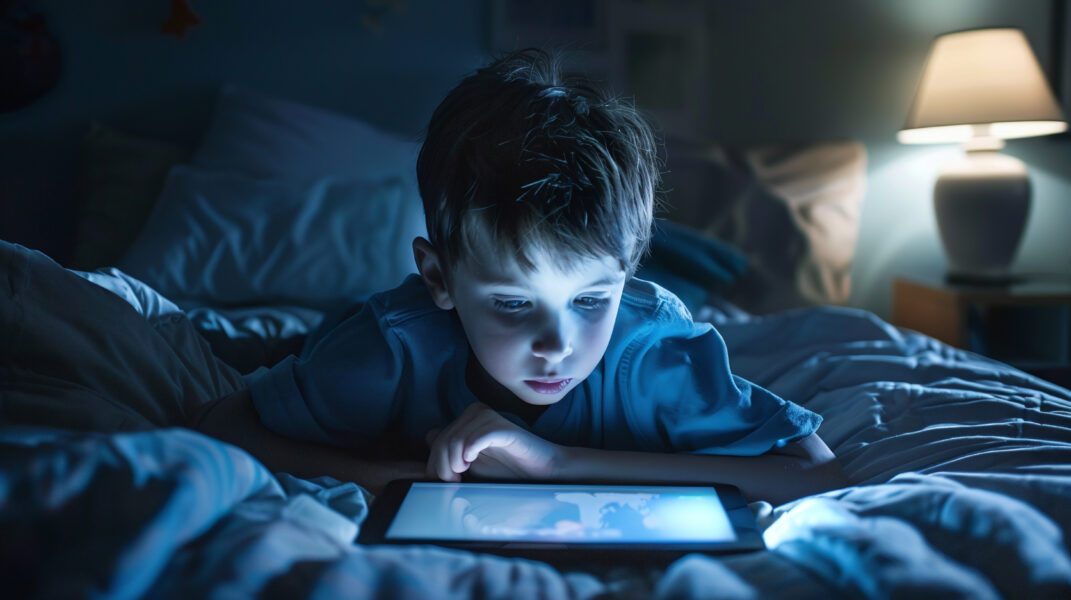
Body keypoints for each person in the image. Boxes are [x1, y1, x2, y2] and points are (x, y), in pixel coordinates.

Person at [198, 49, 845, 505]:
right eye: (512, 303)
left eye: (592, 299)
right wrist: (377, 475)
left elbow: (813, 472)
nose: (557, 344)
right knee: (302, 343)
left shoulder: (654, 350)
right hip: (349, 328)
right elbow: (222, 423)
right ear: (438, 275)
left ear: (625, 276)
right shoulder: (394, 343)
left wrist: (554, 464)